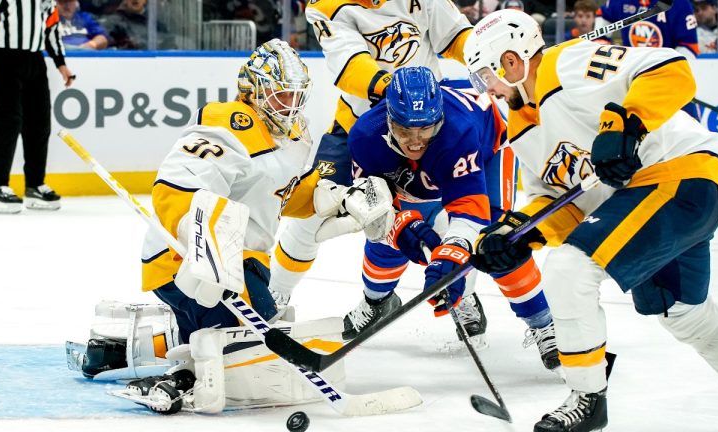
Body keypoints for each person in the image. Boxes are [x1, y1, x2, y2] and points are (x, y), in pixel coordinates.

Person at [464, 8, 718, 431]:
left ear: (510, 60)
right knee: (685, 314)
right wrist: (518, 233)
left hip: (679, 175)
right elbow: (559, 201)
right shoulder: (522, 128)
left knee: (569, 267)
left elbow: (671, 68)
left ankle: (587, 396)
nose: (484, 88)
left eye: (482, 75)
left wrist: (627, 125)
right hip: (651, 199)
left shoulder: (567, 63)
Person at [78, 39, 394, 377]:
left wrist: (332, 198)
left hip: (246, 259)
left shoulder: (295, 134)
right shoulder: (228, 123)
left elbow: (282, 195)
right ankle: (184, 375)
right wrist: (204, 249)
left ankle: (114, 353)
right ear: (253, 90)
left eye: (296, 95)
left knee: (234, 337)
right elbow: (175, 188)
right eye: (280, 94)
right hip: (183, 258)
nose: (289, 105)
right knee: (248, 346)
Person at [268, 0, 492, 339]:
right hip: (361, 129)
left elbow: (458, 37)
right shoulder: (328, 5)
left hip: (428, 130)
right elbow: (352, 67)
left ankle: (461, 292)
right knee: (314, 212)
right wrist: (406, 95)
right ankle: (274, 298)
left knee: (450, 219)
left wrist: (496, 63)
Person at [344, 66, 560, 368]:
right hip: (426, 163)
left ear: (440, 119)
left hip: (490, 149)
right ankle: (374, 302)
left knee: (496, 241)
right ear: (389, 118)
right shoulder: (366, 136)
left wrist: (452, 253)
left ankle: (545, 325)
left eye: (425, 129)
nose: (415, 141)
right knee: (392, 239)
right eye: (405, 130)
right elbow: (373, 209)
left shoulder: (458, 131)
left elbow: (469, 210)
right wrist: (401, 228)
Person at [0, 0, 75, 213]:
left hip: (34, 61)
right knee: (7, 122)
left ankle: (35, 184)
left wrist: (60, 62)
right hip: (3, 58)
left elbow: (51, 28)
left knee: (39, 123)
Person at [597, 0, 701, 119]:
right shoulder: (621, 2)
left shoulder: (679, 3)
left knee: (688, 129)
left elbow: (690, 47)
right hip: (632, 80)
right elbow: (604, 16)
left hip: (669, 83)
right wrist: (605, 49)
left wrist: (666, 70)